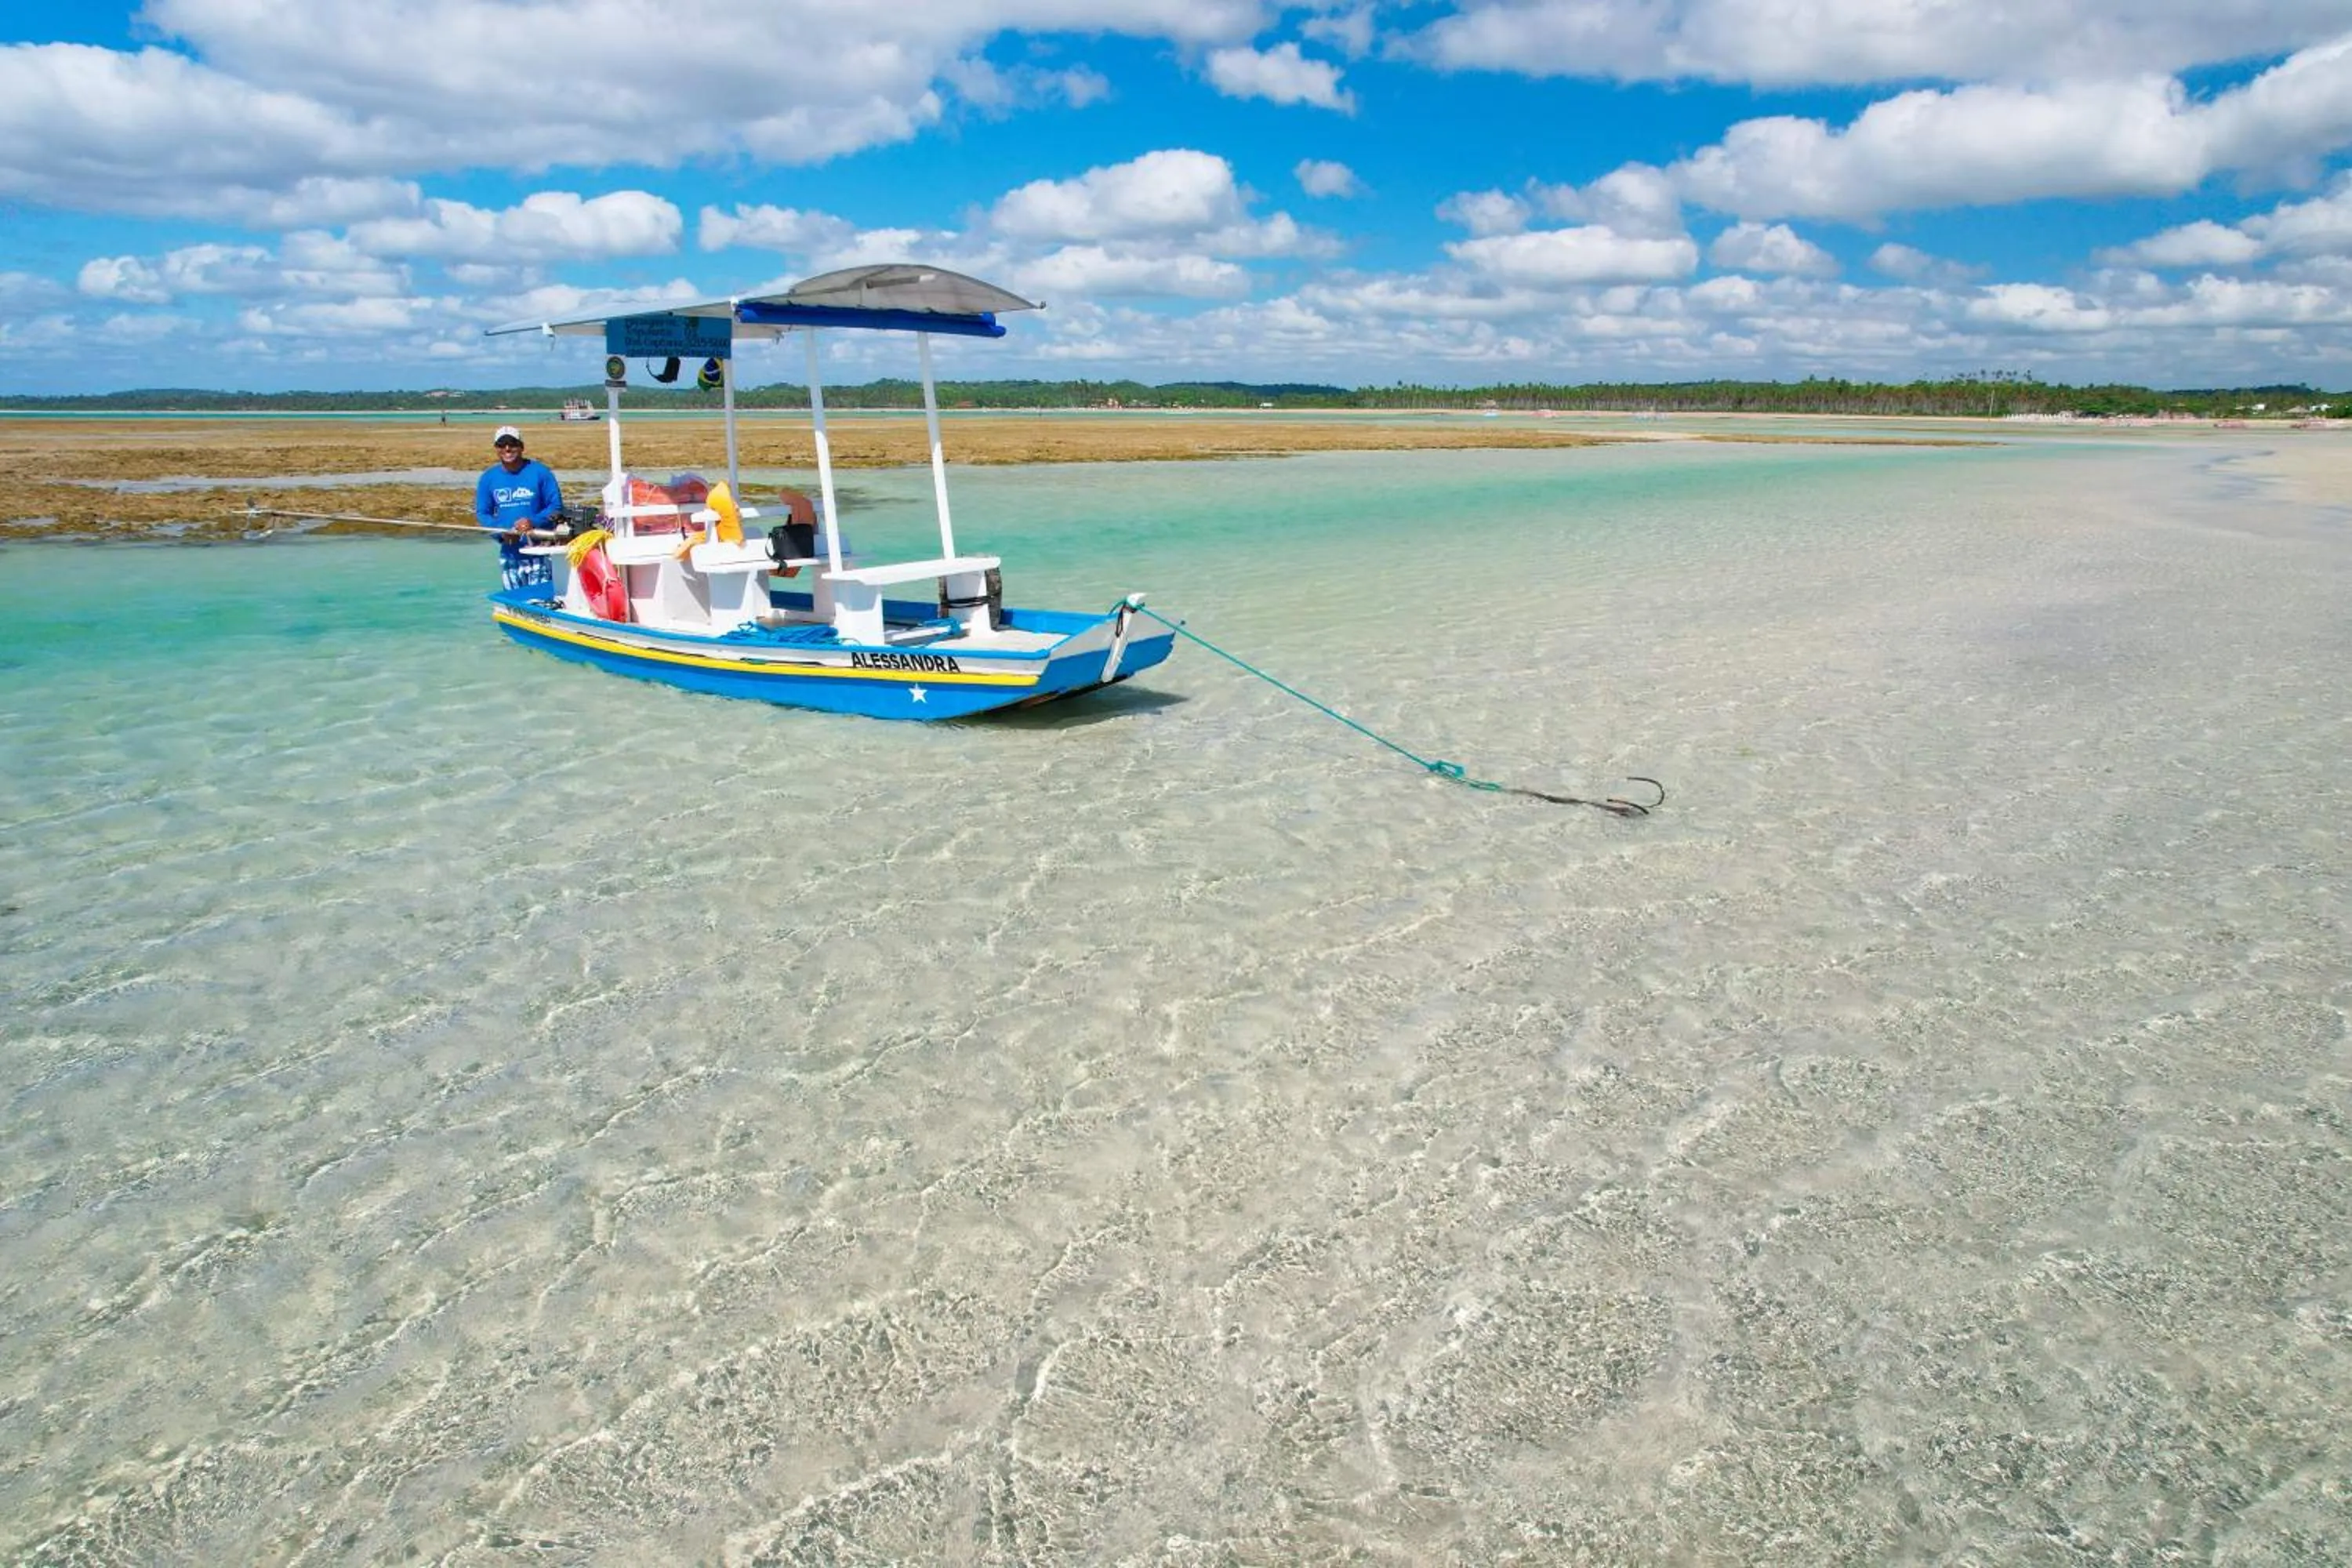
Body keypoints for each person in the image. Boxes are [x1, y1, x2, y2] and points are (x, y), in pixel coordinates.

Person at [474, 426, 567, 592]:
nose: (507, 449)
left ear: (522, 447)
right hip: (510, 556)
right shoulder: (488, 478)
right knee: (514, 604)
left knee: (542, 601)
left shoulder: (540, 472)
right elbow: (483, 513)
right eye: (502, 445)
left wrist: (534, 522)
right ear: (496, 449)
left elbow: (556, 507)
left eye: (512, 444)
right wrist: (501, 533)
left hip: (541, 553)